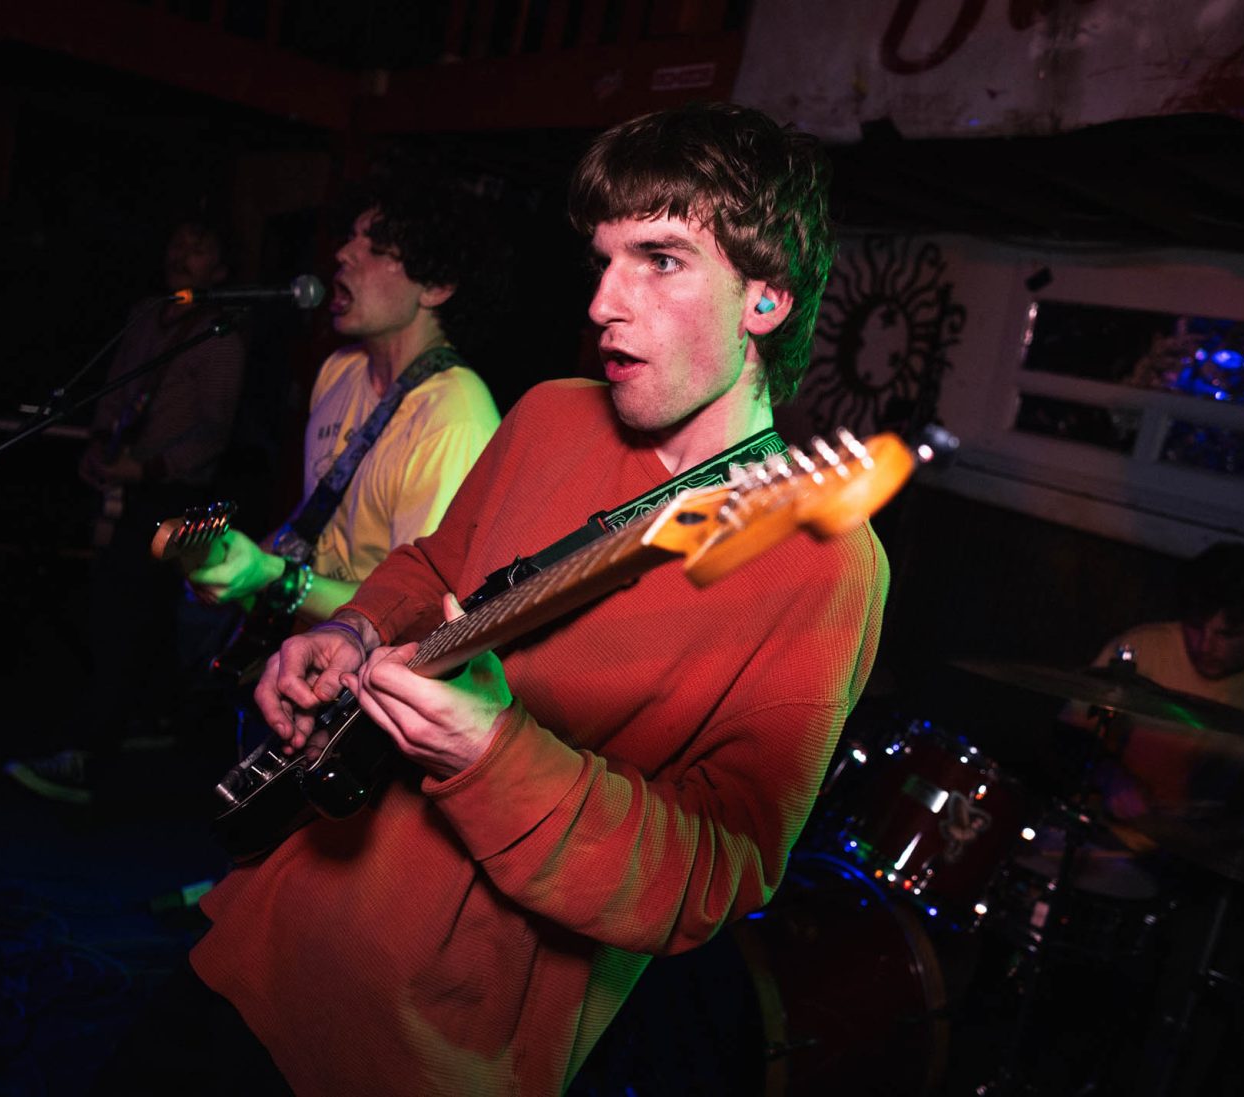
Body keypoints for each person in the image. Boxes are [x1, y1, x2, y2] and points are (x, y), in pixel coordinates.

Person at [174, 103, 887, 1096]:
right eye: (604, 261)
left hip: (427, 1048)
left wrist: (490, 753)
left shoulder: (823, 559)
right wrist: (352, 625)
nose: (604, 302)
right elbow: (433, 561)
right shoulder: (551, 413)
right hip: (271, 929)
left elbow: (718, 869)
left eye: (661, 260)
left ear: (765, 299)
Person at [184, 160, 503, 634]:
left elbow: (421, 605)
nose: (344, 255)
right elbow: (317, 528)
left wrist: (275, 577)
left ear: (436, 286)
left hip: (363, 688)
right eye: (350, 238)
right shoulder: (339, 370)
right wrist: (240, 563)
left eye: (375, 248)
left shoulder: (456, 416)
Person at [5, 218, 246, 805]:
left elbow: (214, 433)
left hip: (168, 494)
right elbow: (116, 388)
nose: (182, 253)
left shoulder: (221, 335)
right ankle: (143, 721)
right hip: (123, 480)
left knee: (127, 611)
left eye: (199, 245)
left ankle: (90, 758)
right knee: (121, 612)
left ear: (220, 268)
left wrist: (149, 468)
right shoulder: (147, 314)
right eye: (178, 241)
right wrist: (96, 443)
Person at [1089, 541, 1244, 818]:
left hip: (1215, 852)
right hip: (1115, 829)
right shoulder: (1143, 647)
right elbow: (1071, 740)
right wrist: (1112, 778)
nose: (1205, 646)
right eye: (1195, 627)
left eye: (1227, 634)